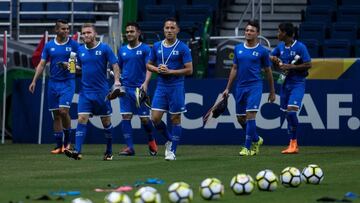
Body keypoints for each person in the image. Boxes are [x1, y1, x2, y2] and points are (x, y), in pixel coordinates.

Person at [64, 23, 121, 160]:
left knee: (106, 122)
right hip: (85, 92)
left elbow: (115, 64)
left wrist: (117, 81)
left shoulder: (105, 48)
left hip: (102, 93)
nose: (85, 35)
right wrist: (69, 66)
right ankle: (77, 151)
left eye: (88, 32)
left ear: (95, 34)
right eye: (83, 33)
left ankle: (109, 151)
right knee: (82, 119)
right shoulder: (78, 50)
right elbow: (75, 69)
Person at [222, 20, 275, 156]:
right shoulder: (238, 48)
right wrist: (227, 88)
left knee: (250, 115)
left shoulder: (262, 51)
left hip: (255, 86)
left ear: (257, 33)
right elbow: (234, 68)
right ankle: (256, 139)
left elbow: (268, 71)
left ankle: (246, 147)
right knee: (241, 118)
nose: (248, 32)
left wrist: (272, 91)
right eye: (246, 30)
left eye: (251, 30)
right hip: (240, 87)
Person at [29, 19, 79, 154]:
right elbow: (42, 63)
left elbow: (75, 68)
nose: (66, 31)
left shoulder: (73, 45)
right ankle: (58, 146)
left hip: (68, 82)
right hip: (53, 83)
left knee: (64, 111)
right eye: (63, 29)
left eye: (68, 29)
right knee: (56, 115)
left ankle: (68, 142)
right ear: (56, 30)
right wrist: (34, 80)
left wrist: (67, 65)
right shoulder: (49, 45)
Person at [146, 18, 193, 161]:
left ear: (177, 30)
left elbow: (190, 70)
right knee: (154, 118)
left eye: (172, 28)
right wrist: (157, 69)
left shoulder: (183, 47)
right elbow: (148, 65)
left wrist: (170, 72)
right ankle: (170, 139)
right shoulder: (156, 46)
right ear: (163, 30)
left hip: (176, 86)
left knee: (175, 118)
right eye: (167, 28)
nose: (169, 30)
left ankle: (172, 151)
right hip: (161, 86)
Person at [117, 22, 158, 156]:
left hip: (139, 89)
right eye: (127, 31)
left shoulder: (146, 49)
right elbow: (119, 68)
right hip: (125, 88)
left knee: (144, 119)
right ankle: (129, 147)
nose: (129, 34)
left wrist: (146, 83)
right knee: (125, 116)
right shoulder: (122, 49)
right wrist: (117, 81)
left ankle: (151, 140)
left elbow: (149, 67)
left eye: (132, 31)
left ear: (138, 33)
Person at [270, 22, 312, 154]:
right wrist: (275, 60)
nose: (277, 34)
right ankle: (291, 144)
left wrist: (291, 67)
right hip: (284, 84)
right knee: (287, 114)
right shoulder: (280, 47)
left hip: (297, 83)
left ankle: (294, 143)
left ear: (285, 33)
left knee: (292, 112)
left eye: (279, 31)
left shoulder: (300, 47)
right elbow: (272, 56)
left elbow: (309, 64)